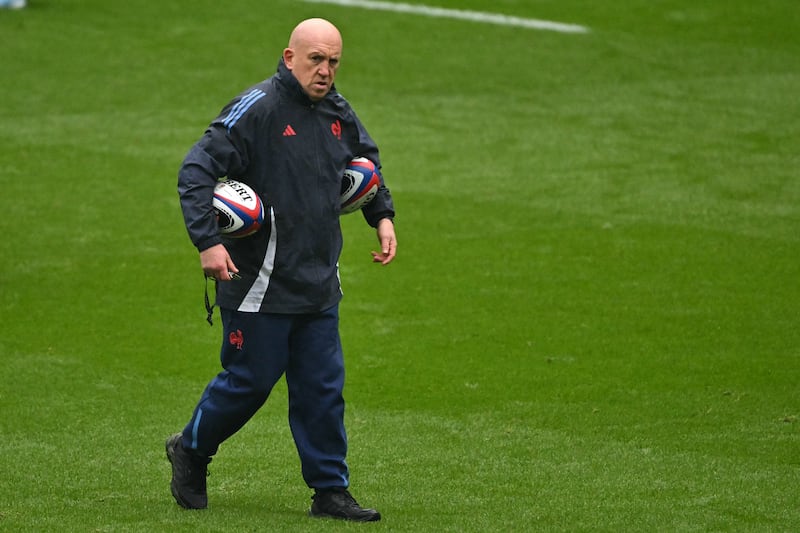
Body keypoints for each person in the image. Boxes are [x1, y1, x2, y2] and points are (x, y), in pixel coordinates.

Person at [167, 18, 396, 522]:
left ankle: (329, 491)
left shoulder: (337, 111)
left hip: (317, 284)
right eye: (316, 59)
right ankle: (192, 449)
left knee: (322, 391)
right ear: (290, 57)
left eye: (334, 61)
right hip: (258, 285)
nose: (326, 71)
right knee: (248, 384)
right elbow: (196, 169)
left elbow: (366, 162)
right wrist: (207, 242)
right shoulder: (259, 108)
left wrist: (381, 215)